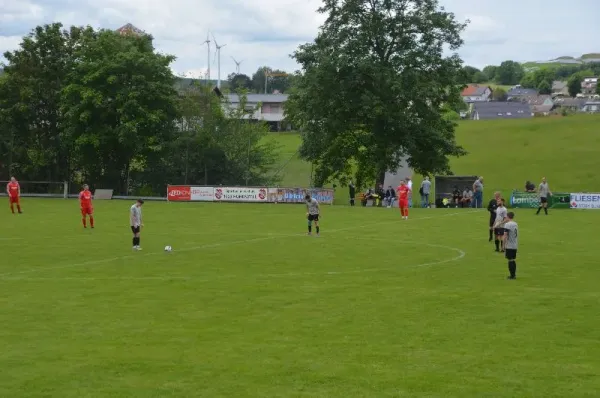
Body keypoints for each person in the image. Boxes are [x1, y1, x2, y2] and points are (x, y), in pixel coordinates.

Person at [503, 212, 519, 280]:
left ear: (507, 216)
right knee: (512, 260)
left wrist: (503, 245)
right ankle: (513, 275)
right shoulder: (515, 224)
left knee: (510, 260)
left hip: (510, 245)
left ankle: (512, 276)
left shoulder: (507, 224)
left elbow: (505, 235)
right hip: (515, 244)